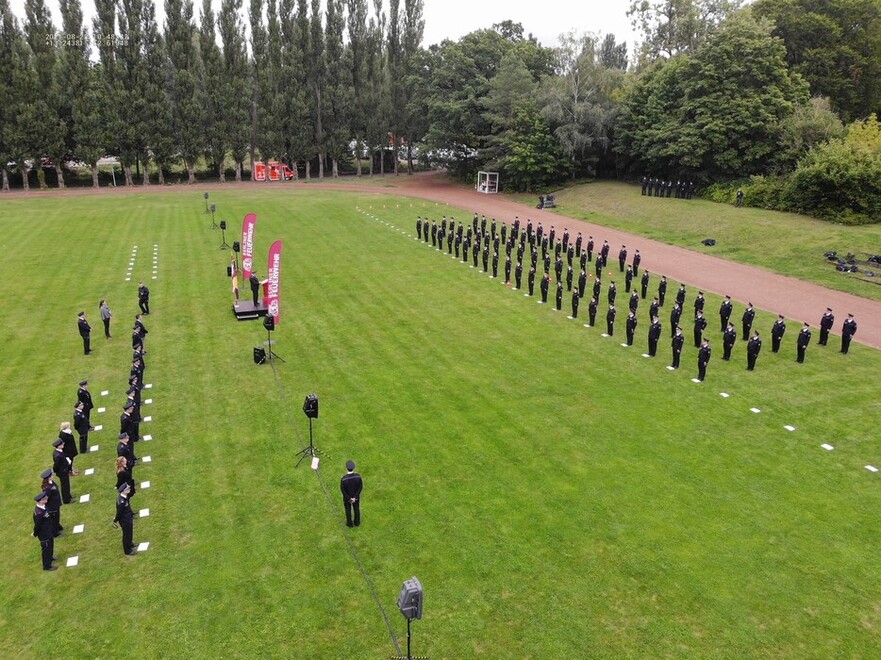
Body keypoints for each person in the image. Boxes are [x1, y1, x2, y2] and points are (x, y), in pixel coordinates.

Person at [33, 492, 57, 570]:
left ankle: (50, 557)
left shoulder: (44, 507)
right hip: (44, 534)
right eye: (45, 499)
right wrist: (35, 534)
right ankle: (47, 566)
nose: (47, 499)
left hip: (49, 531)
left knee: (51, 545)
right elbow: (37, 526)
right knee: (46, 549)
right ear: (40, 501)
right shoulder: (38, 513)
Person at [113, 483, 137, 556]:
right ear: (124, 491)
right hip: (125, 521)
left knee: (130, 532)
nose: (129, 489)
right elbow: (119, 513)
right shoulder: (121, 502)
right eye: (128, 489)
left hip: (128, 518)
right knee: (126, 535)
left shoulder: (125, 497)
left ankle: (130, 543)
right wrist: (115, 520)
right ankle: (127, 550)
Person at [340, 460, 363, 527]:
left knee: (348, 510)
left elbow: (343, 490)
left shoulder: (344, 479)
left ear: (346, 468)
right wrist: (355, 497)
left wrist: (349, 498)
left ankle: (349, 524)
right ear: (354, 467)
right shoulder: (358, 477)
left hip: (347, 499)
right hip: (356, 498)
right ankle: (357, 522)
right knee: (356, 509)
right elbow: (360, 487)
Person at [41, 468, 63, 537]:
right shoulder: (47, 487)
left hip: (55, 504)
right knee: (54, 519)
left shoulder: (51, 483)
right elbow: (46, 498)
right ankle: (55, 533)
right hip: (52, 506)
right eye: (51, 475)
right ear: (49, 477)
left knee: (56, 518)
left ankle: (58, 527)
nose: (52, 476)